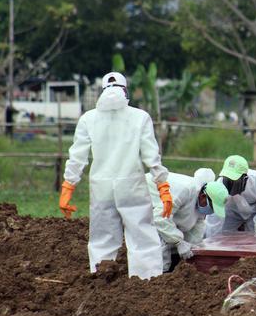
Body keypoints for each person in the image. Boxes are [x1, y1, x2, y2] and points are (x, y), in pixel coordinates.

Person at [59, 72, 172, 279]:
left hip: (101, 188)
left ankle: (101, 279)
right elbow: (151, 157)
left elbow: (77, 157)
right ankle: (146, 281)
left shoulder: (88, 119)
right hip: (132, 186)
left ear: (102, 92)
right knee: (142, 237)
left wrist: (68, 187)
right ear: (125, 90)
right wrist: (163, 187)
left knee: (102, 238)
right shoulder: (140, 117)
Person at [146, 168, 229, 272]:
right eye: (212, 207)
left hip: (160, 209)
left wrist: (194, 249)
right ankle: (156, 276)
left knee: (172, 236)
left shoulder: (199, 203)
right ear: (203, 196)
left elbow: (196, 228)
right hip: (141, 197)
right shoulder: (185, 190)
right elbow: (159, 217)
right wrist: (178, 242)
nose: (211, 211)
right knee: (159, 244)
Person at [205, 155, 256, 236]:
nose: (230, 184)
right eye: (227, 179)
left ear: (245, 178)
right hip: (233, 210)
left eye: (234, 180)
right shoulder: (219, 186)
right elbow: (214, 216)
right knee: (222, 237)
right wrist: (210, 240)